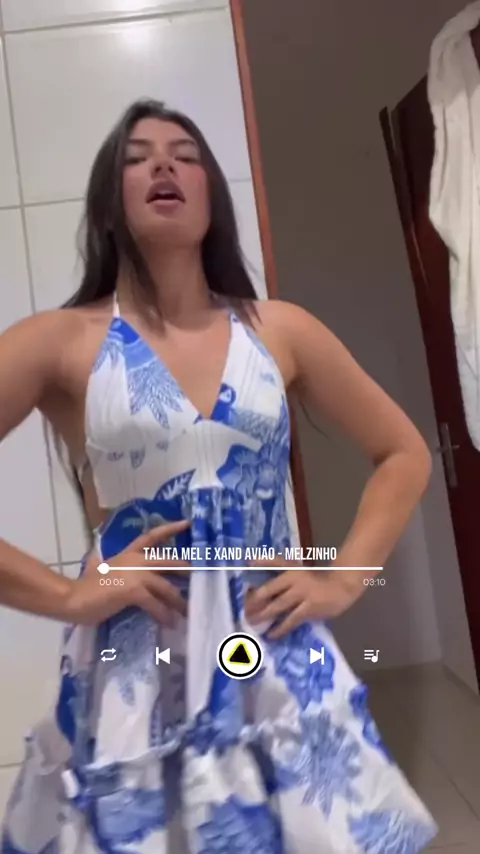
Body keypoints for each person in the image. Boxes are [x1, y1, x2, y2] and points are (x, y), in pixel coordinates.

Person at [0, 99, 437, 853]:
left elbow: (404, 453)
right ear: (108, 199)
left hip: (274, 651)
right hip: (136, 674)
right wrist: (68, 595)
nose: (163, 165)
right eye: (137, 156)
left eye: (185, 154)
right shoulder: (59, 341)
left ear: (212, 195)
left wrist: (343, 579)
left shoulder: (281, 329)